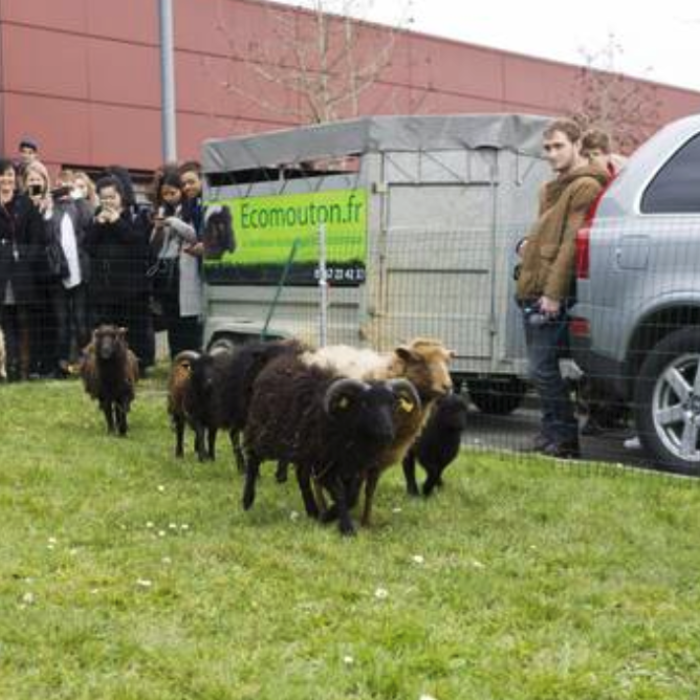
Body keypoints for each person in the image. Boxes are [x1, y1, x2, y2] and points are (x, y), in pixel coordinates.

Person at [515, 118, 609, 458]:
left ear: (577, 145)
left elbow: (572, 242)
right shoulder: (553, 187)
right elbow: (548, 231)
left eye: (558, 146)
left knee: (543, 367)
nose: (551, 153)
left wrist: (553, 294)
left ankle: (566, 439)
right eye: (547, 148)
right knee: (539, 369)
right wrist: (528, 242)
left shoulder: (585, 186)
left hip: (552, 291)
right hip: (533, 284)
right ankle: (549, 431)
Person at [85, 175, 151, 371]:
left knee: (134, 329)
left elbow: (138, 244)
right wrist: (98, 225)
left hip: (131, 288)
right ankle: (111, 364)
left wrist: (116, 222)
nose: (107, 202)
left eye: (111, 197)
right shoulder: (97, 217)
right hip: (105, 288)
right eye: (103, 198)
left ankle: (139, 365)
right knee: (109, 331)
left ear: (121, 196)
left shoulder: (135, 215)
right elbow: (88, 247)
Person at [148, 165, 203, 357]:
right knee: (172, 322)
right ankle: (176, 363)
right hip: (166, 274)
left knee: (187, 323)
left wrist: (172, 221)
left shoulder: (191, 209)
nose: (169, 197)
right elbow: (154, 247)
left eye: (173, 192)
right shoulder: (162, 210)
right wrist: (158, 227)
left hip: (184, 274)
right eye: (165, 194)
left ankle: (189, 364)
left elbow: (194, 236)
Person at [0, 158, 46, 381]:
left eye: (9, 175)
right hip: (1, 275)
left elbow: (38, 239)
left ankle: (26, 369)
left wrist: (25, 257)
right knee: (6, 322)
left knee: (25, 322)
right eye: (2, 175)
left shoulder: (25, 203)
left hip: (23, 275)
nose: (6, 179)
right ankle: (11, 367)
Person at [47, 170, 93, 377]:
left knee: (82, 321)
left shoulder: (81, 207)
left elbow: (88, 223)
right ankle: (62, 365)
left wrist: (78, 198)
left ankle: (85, 363)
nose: (66, 188)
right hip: (59, 272)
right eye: (62, 184)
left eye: (70, 185)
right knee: (62, 321)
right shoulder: (52, 207)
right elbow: (47, 234)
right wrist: (49, 204)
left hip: (80, 273)